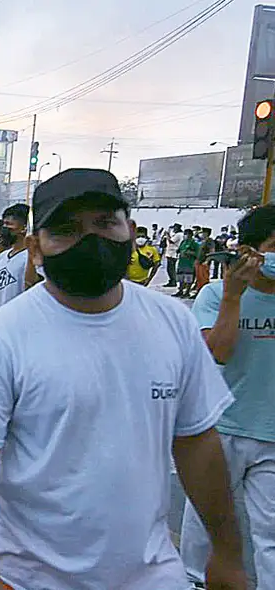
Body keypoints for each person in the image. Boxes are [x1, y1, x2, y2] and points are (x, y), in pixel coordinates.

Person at [0, 168, 247, 589]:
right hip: (34, 579)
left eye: (105, 224)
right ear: (36, 249)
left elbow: (197, 444)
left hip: (154, 576)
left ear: (131, 232)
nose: (91, 242)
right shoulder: (3, 336)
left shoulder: (173, 322)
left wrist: (227, 553)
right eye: (66, 230)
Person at [179, 205, 275, 589]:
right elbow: (217, 352)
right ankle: (191, 583)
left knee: (270, 535)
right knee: (204, 523)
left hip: (270, 434)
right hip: (220, 431)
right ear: (250, 253)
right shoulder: (214, 294)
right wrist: (234, 298)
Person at [0, 203, 34, 310]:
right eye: (3, 224)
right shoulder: (3, 256)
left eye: (9, 224)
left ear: (24, 228)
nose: (4, 229)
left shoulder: (31, 258)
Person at [176, 228, 200, 299]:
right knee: (180, 277)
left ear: (191, 235)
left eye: (186, 234)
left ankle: (187, 292)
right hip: (181, 262)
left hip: (189, 263)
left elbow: (197, 253)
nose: (185, 235)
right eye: (184, 234)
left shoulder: (194, 243)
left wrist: (189, 253)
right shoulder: (183, 242)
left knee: (188, 278)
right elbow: (179, 249)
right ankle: (180, 290)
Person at [195, 227, 216, 293]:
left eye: (203, 233)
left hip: (204, 262)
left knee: (204, 278)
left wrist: (207, 261)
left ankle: (204, 292)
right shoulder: (202, 241)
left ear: (207, 233)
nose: (202, 234)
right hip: (199, 262)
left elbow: (212, 251)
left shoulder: (210, 241)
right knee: (199, 279)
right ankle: (199, 291)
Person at [165, 223, 183, 287]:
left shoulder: (178, 235)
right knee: (170, 268)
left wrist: (167, 235)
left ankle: (173, 281)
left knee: (170, 269)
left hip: (173, 253)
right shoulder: (177, 234)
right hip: (171, 253)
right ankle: (172, 280)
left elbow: (171, 241)